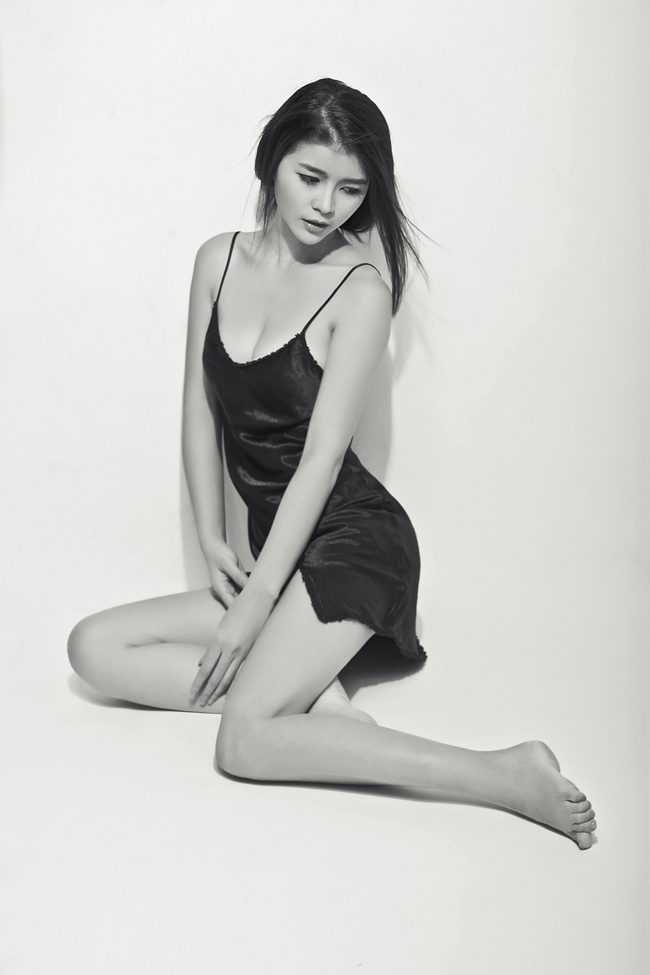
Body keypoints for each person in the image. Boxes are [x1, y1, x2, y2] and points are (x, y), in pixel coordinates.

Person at [68, 78, 596, 849]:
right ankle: (315, 702)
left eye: (351, 189)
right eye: (310, 177)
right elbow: (198, 407)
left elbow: (321, 459)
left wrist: (256, 605)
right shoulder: (217, 261)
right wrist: (213, 539)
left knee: (244, 740)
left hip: (354, 543)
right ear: (272, 162)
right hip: (271, 553)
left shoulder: (360, 290)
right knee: (93, 647)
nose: (326, 205)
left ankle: (504, 772)